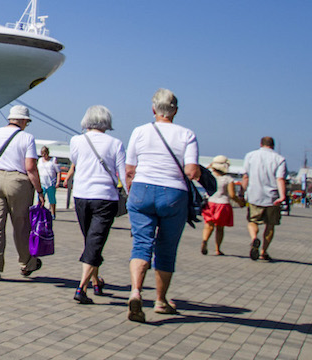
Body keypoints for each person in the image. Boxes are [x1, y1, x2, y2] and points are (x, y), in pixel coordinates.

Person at [124, 88, 200, 322]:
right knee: (166, 249)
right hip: (173, 193)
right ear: (175, 110)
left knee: (141, 244)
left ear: (153, 109)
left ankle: (136, 291)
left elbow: (129, 170)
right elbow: (191, 171)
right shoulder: (187, 134)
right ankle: (160, 300)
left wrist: (132, 194)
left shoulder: (139, 131)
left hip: (142, 189)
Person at [0, 105, 46, 281]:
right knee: (21, 225)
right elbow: (30, 167)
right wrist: (39, 190)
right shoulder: (27, 137)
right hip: (18, 182)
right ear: (24, 121)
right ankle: (26, 264)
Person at [68, 105, 126, 305]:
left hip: (81, 196)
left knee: (90, 240)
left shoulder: (76, 140)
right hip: (105, 198)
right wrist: (129, 194)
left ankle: (94, 281)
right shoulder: (116, 143)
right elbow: (122, 173)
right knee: (95, 241)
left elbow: (75, 161)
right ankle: (81, 287)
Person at [243, 136, 287, 261]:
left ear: (261, 144)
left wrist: (243, 192)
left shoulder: (250, 156)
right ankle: (263, 252)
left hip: (254, 195)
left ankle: (253, 238)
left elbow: (246, 176)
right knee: (270, 225)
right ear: (273, 145)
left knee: (252, 221)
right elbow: (280, 179)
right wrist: (282, 196)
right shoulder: (280, 159)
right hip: (272, 198)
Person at [200, 156, 239, 255]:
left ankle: (205, 240)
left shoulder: (210, 176)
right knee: (220, 228)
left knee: (208, 225)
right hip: (223, 204)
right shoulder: (228, 179)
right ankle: (217, 249)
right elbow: (232, 195)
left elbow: (202, 174)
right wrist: (241, 202)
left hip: (210, 203)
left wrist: (210, 166)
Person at [38, 145, 60, 217]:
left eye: (45, 153)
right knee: (40, 198)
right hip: (42, 182)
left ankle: (53, 213)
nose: (44, 155)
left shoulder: (53, 160)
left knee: (52, 199)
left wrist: (58, 182)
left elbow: (58, 171)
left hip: (51, 182)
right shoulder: (40, 160)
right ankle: (40, 213)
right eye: (42, 154)